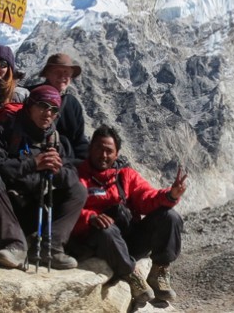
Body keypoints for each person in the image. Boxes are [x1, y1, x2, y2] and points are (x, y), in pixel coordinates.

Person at [70, 125, 187, 304]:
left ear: (116, 154)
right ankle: (130, 273)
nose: (103, 155)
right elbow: (67, 211)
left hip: (128, 239)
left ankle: (159, 270)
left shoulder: (125, 176)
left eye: (109, 151)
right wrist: (90, 217)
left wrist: (170, 195)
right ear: (90, 149)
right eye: (98, 149)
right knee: (106, 230)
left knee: (169, 216)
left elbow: (147, 198)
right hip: (97, 242)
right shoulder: (76, 175)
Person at [0, 85, 86, 270]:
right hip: (0, 209)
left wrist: (57, 171)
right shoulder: (7, 128)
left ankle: (49, 247)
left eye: (54, 109)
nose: (48, 113)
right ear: (29, 105)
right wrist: (31, 164)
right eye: (42, 105)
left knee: (78, 190)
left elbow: (72, 176)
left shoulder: (55, 140)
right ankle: (15, 245)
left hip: (30, 209)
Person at [29, 53, 90, 162]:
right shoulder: (30, 95)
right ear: (47, 74)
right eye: (57, 72)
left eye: (66, 73)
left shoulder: (73, 104)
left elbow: (79, 141)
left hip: (64, 165)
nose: (62, 77)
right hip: (31, 159)